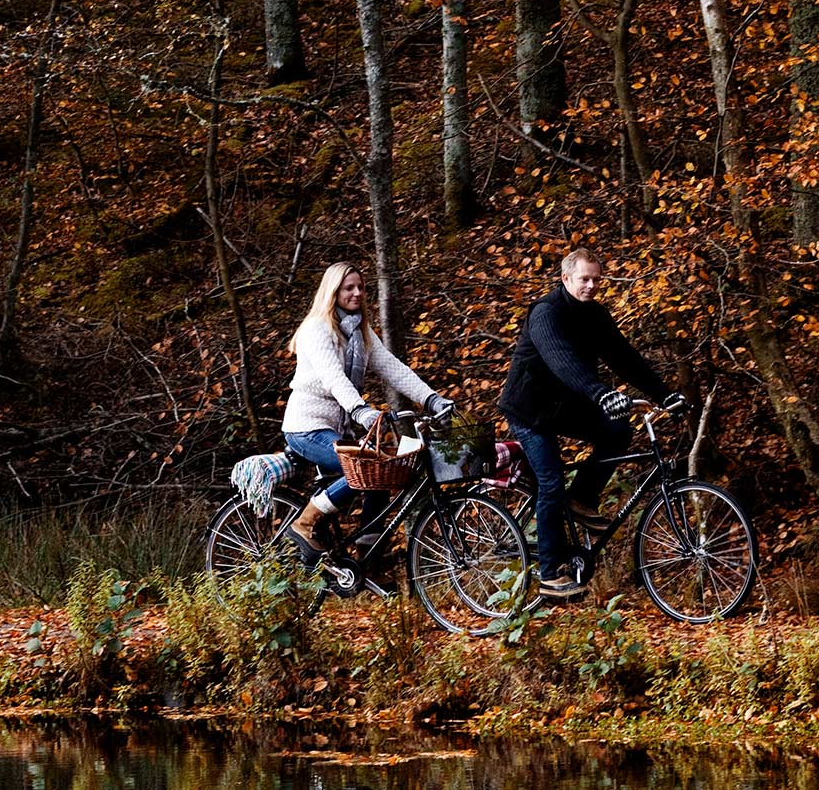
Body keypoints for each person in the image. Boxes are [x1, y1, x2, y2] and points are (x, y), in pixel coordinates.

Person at [499, 248, 683, 598]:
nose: (592, 285)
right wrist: (600, 394)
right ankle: (551, 574)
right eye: (584, 279)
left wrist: (665, 394)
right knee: (551, 482)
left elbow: (625, 358)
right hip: (529, 409)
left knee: (618, 430)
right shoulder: (545, 313)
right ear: (566, 278)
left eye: (597, 279)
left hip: (566, 405)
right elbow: (561, 360)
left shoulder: (595, 315)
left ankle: (581, 498)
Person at [280, 261, 455, 563]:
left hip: (337, 428)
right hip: (305, 426)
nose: (358, 292)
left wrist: (431, 399)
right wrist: (360, 410)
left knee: (380, 475)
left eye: (361, 287)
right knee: (359, 469)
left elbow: (393, 368)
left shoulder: (358, 331)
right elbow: (333, 377)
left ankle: (368, 559)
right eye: (349, 288)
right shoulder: (316, 329)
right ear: (332, 292)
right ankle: (304, 523)